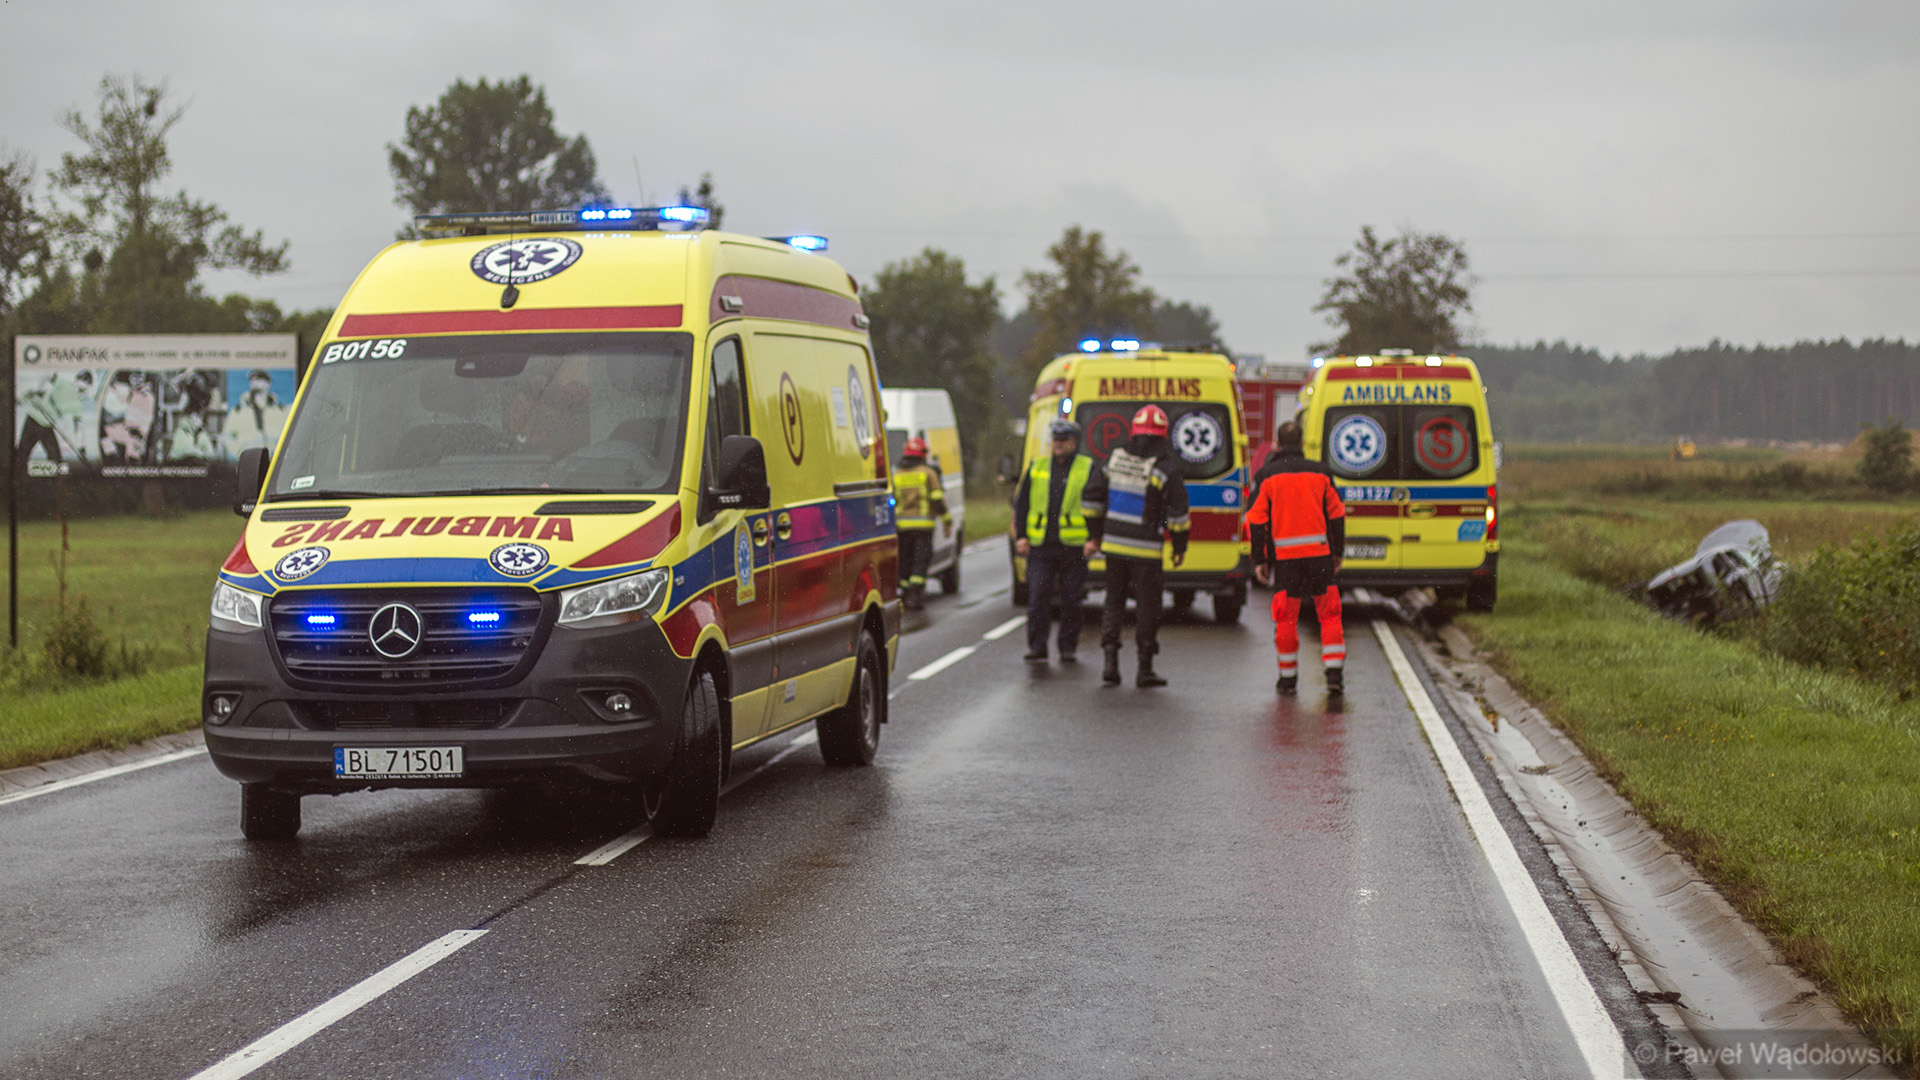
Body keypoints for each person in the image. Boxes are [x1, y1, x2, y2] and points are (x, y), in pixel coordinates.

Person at [1246, 420, 1348, 696]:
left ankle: (1288, 679)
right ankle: (1334, 675)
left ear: (1278, 444)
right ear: (1302, 443)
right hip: (1319, 555)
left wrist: (1260, 560)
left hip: (1287, 560)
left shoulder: (1267, 475)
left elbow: (1255, 520)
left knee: (1286, 619)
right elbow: (1337, 515)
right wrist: (1338, 552)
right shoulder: (1321, 472)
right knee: (1329, 615)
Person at [1099, 404, 1190, 687]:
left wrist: (1096, 532)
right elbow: (1178, 514)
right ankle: (1144, 669)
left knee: (1113, 603)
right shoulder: (1164, 468)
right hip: (1147, 551)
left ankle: (1110, 664)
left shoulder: (1114, 460)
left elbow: (1092, 497)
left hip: (1113, 547)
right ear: (1163, 436)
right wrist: (1178, 547)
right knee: (1147, 608)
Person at [1012, 419, 1108, 663]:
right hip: (1041, 546)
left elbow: (1098, 505)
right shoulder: (1037, 466)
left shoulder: (1087, 467)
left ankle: (1067, 648)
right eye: (1055, 439)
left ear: (1073, 442)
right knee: (1037, 598)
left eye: (1063, 440)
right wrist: (1021, 536)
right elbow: (1022, 504)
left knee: (1072, 600)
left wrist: (1094, 539)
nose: (1058, 444)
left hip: (1074, 547)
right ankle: (1037, 647)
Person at [892, 435, 951, 610]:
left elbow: (892, 500)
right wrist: (947, 520)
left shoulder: (897, 475)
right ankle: (914, 597)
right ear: (922, 454)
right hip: (923, 528)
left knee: (905, 562)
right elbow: (937, 500)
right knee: (920, 562)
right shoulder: (928, 473)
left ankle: (902, 595)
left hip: (902, 528)